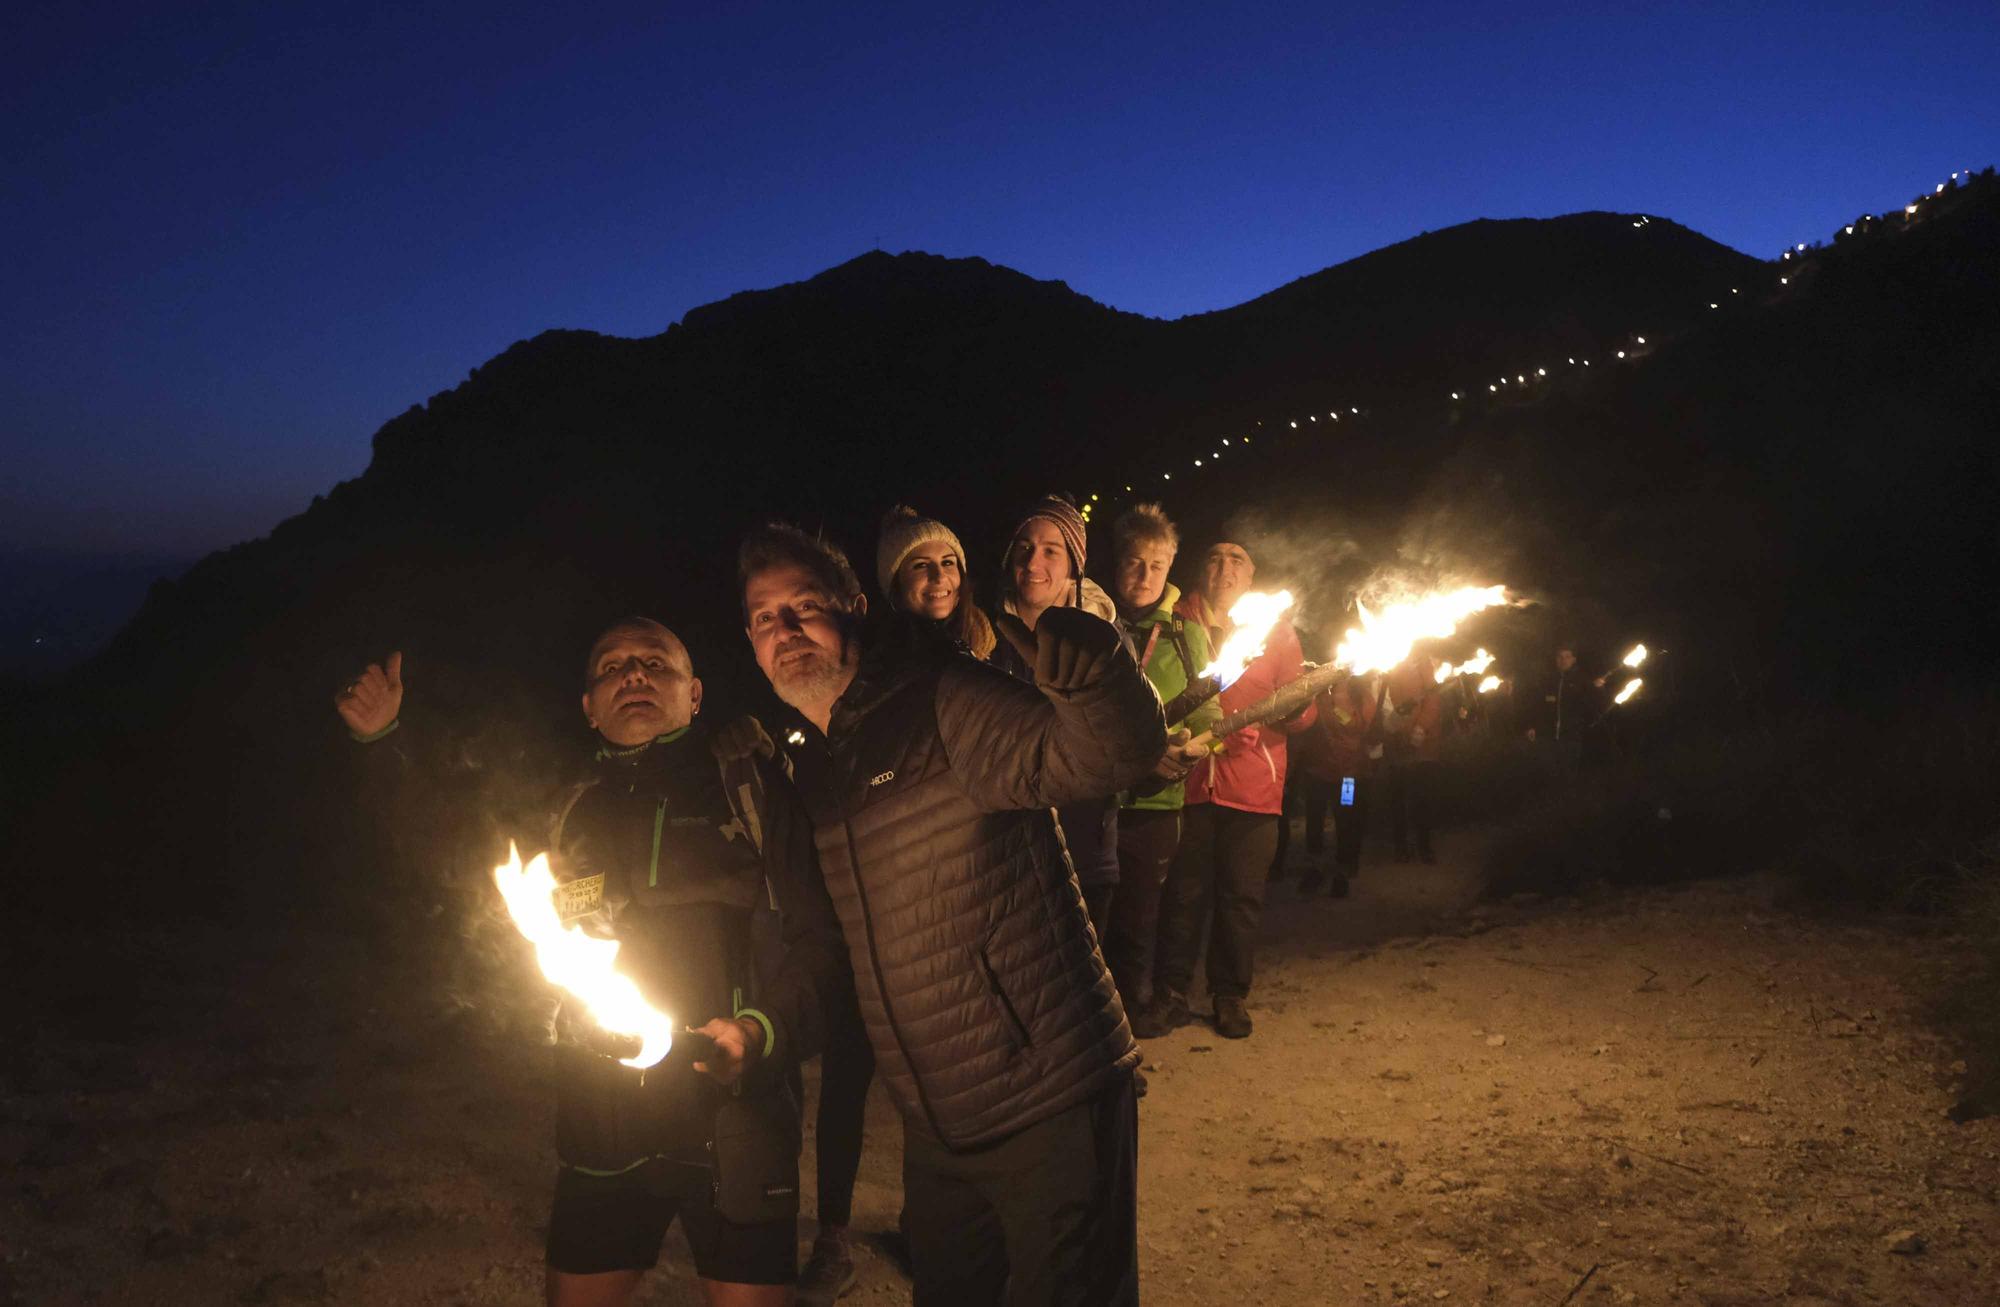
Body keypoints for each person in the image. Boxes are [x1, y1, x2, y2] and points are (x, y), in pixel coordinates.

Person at [336, 621, 848, 1307]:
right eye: (612, 667)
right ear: (588, 705)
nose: (633, 675)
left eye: (654, 664)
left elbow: (822, 944)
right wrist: (384, 742)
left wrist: (760, 1032)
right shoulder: (564, 807)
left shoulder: (750, 788)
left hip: (734, 1123)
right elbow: (451, 855)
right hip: (600, 1125)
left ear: (694, 694)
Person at [739, 522, 1161, 1307]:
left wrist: (1096, 673)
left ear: (856, 607)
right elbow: (834, 950)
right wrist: (757, 1031)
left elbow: (1107, 755)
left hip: (1051, 1100)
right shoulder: (815, 770)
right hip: (938, 1132)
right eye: (765, 618)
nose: (786, 630)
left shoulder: (943, 699)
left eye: (804, 606)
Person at [793, 506, 993, 1305]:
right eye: (920, 566)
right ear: (892, 585)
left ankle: (925, 1221)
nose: (939, 577)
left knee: (931, 1082)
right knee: (848, 1076)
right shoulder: (873, 673)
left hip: (952, 908)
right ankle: (834, 1235)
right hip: (869, 912)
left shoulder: (987, 657)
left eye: (948, 562)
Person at [1139, 538, 1316, 1042]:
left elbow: (1303, 709)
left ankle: (1229, 995)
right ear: (1202, 568)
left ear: (1252, 577)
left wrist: (1294, 711)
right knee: (1183, 894)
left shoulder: (1278, 633)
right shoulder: (1177, 620)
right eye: (1215, 556)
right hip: (1186, 783)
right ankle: (1171, 992)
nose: (1225, 567)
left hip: (1254, 786)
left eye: (1237, 559)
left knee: (1241, 898)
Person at [1101, 502, 1217, 1021]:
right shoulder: (1088, 625)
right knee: (1086, 920)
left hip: (1155, 801)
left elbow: (1213, 716)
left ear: (1171, 567)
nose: (1145, 576)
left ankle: (1130, 1017)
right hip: (1092, 799)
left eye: (1157, 565)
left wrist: (1192, 749)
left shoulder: (1187, 635)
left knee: (1139, 918)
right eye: (1133, 562)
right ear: (1116, 563)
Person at [990, 494, 1123, 929]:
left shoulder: (1107, 639)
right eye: (1024, 547)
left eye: (1052, 550)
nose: (1033, 563)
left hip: (1084, 834)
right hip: (1007, 841)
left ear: (1074, 566)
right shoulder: (983, 636)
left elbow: (1120, 728)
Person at [1380, 654, 1445, 863]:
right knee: (1397, 798)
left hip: (1422, 748)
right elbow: (1383, 699)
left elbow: (1433, 700)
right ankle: (1401, 846)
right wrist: (1391, 727)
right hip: (1396, 745)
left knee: (1422, 799)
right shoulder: (1387, 659)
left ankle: (1424, 846)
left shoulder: (1422, 664)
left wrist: (1420, 728)